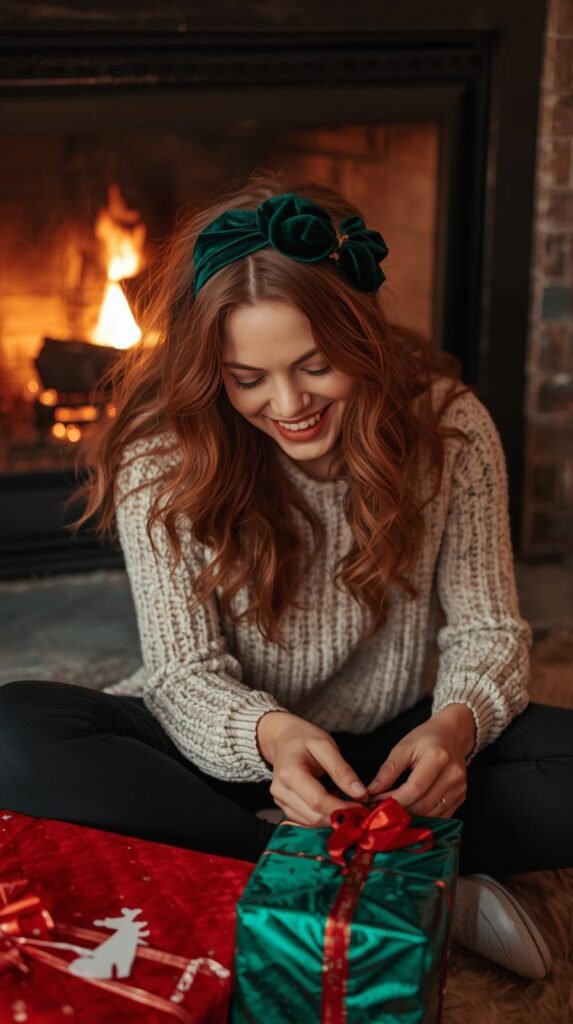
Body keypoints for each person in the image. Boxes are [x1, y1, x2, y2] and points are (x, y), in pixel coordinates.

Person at [1, 172, 571, 983]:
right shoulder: (163, 458)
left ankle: (309, 862)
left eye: (314, 365)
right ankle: (401, 882)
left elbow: (486, 630)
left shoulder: (450, 427)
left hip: (390, 747)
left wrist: (455, 730)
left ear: (359, 336)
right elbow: (184, 673)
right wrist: (270, 736)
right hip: (227, 753)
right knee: (14, 736)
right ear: (213, 370)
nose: (287, 403)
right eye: (247, 379)